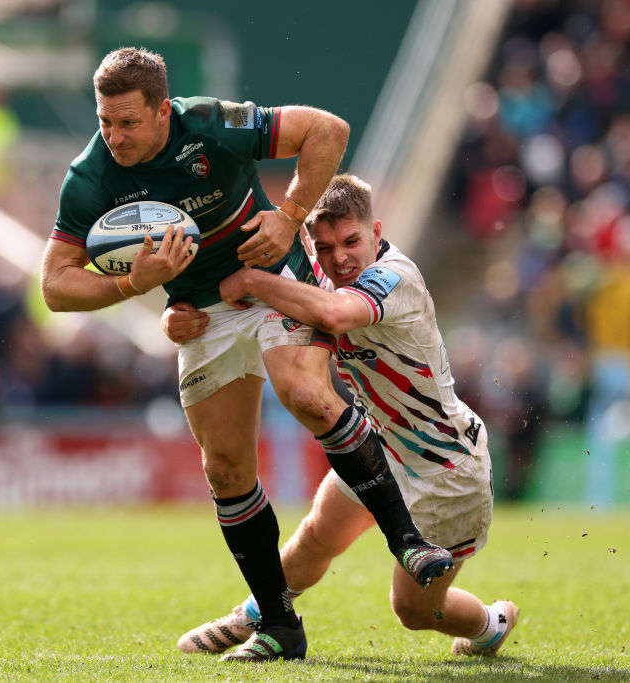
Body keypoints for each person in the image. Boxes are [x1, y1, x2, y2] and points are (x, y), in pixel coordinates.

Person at [39, 48, 453, 663]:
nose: (114, 135)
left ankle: (410, 541)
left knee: (307, 394)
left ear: (162, 112)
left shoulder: (208, 123)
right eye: (104, 120)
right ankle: (281, 628)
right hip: (201, 314)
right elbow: (54, 284)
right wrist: (133, 284)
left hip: (273, 278)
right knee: (226, 469)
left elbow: (328, 130)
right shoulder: (91, 177)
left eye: (128, 121)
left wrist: (288, 219)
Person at [165, 174, 519, 658]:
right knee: (315, 536)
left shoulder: (395, 277)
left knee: (414, 612)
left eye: (352, 241)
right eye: (326, 247)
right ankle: (254, 617)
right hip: (380, 446)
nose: (340, 258)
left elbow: (331, 315)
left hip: (446, 467)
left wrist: (251, 282)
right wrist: (175, 315)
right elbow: (236, 299)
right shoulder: (320, 273)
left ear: (376, 232)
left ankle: (490, 625)